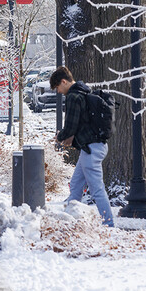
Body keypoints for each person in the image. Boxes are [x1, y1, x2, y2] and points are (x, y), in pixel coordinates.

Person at [51, 66, 114, 227]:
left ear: (63, 82)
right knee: (76, 185)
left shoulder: (73, 96)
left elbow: (71, 126)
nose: (58, 92)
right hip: (93, 147)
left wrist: (60, 136)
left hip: (91, 148)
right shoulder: (84, 91)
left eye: (57, 87)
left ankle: (109, 224)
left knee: (97, 189)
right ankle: (68, 222)